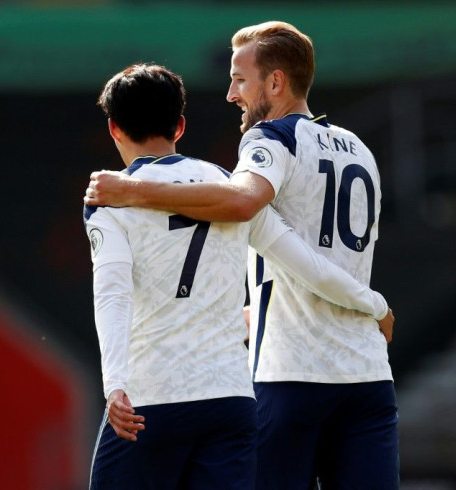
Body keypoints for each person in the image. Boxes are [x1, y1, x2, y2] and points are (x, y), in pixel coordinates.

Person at [84, 22, 399, 490]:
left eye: (240, 80)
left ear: (275, 82)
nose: (232, 94)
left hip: (287, 373)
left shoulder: (267, 142)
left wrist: (130, 189)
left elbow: (240, 203)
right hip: (364, 372)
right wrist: (374, 304)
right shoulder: (361, 150)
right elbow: (308, 258)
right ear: (179, 125)